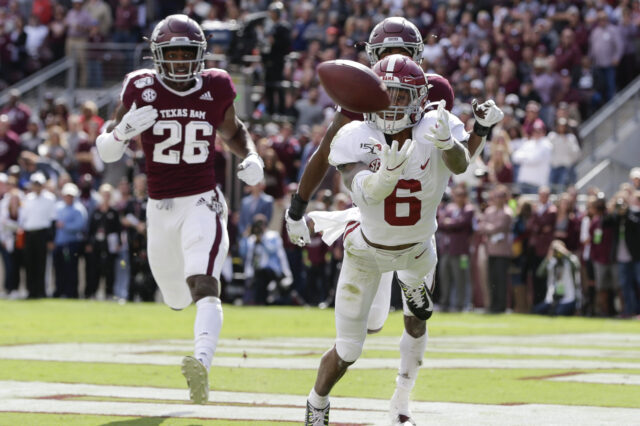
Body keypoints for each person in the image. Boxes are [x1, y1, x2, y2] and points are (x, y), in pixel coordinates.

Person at [303, 54, 503, 425]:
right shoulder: (356, 135)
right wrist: (385, 176)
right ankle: (317, 402)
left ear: (420, 98)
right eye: (388, 94)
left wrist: (451, 143)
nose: (394, 103)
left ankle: (402, 397)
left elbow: (460, 166)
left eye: (402, 95)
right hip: (366, 251)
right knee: (348, 350)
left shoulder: (435, 126)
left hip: (415, 249)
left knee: (418, 310)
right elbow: (363, 193)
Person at [96, 14, 264, 404]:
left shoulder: (216, 85)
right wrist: (121, 132)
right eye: (170, 54)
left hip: (202, 199)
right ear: (157, 56)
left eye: (186, 54)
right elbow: (106, 150)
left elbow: (233, 131)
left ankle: (201, 364)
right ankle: (195, 340)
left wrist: (252, 155)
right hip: (159, 208)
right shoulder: (140, 86)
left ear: (200, 55)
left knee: (204, 282)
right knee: (174, 297)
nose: (179, 62)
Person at [286, 16, 490, 335]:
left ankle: (406, 382)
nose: (395, 61)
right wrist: (297, 208)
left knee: (415, 318)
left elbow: (457, 158)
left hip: (418, 215)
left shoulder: (434, 89)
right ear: (372, 57)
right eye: (386, 53)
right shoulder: (361, 91)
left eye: (404, 52)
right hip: (375, 214)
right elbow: (326, 151)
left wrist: (480, 131)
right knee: (371, 323)